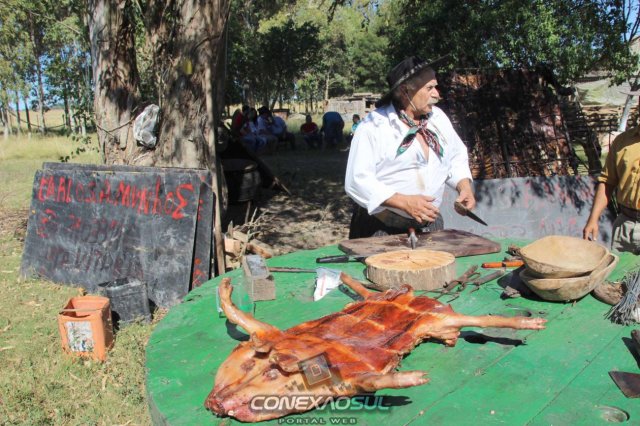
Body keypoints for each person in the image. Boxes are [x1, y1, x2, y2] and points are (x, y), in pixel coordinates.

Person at [344, 56, 476, 239]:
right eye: (429, 88)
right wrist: (404, 202)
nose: (437, 94)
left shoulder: (438, 119)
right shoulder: (373, 126)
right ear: (405, 90)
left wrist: (464, 187)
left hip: (430, 226)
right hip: (381, 229)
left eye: (436, 87)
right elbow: (357, 180)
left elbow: (455, 157)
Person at [583, 92, 640, 254]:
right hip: (625, 226)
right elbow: (608, 182)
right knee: (620, 270)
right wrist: (593, 219)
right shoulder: (622, 142)